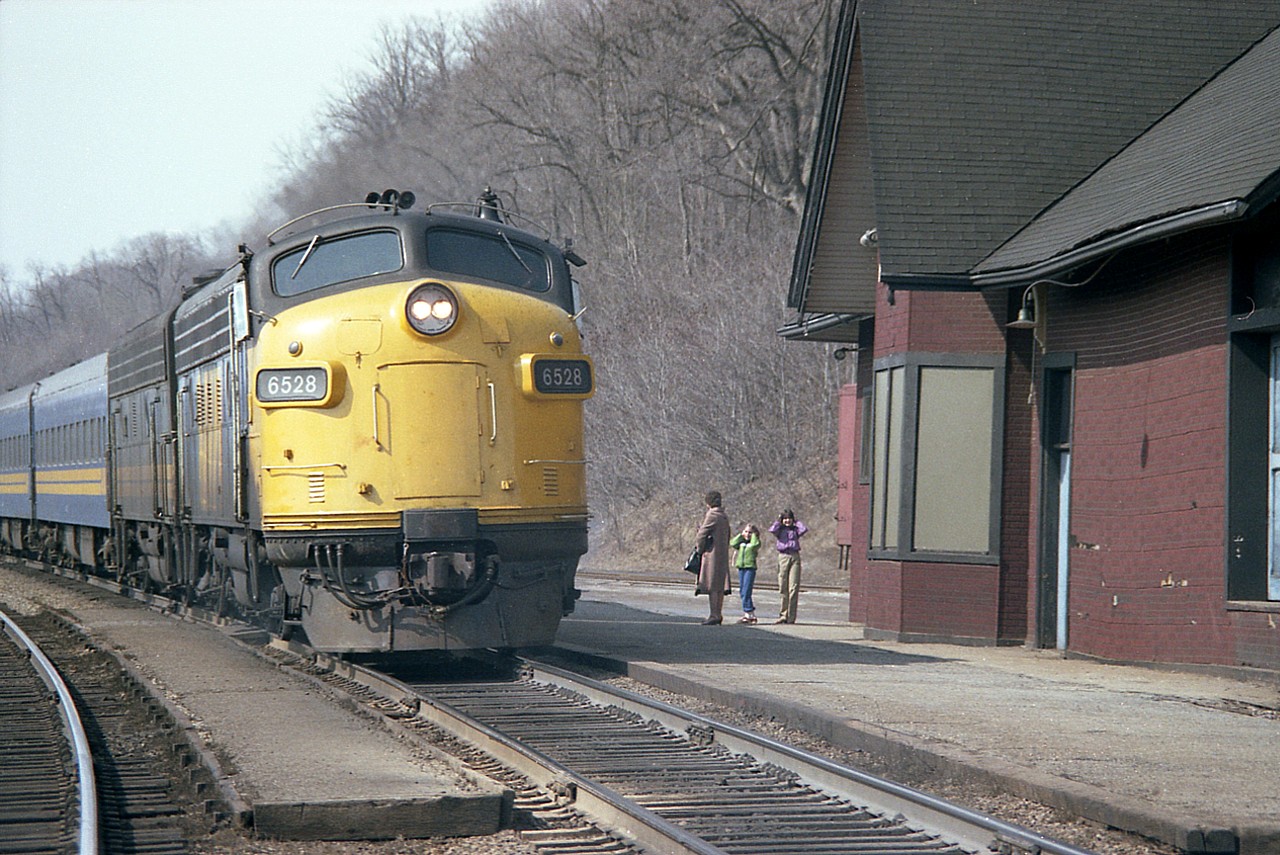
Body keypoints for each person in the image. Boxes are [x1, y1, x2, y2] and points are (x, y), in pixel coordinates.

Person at [694, 491, 731, 625]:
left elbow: (702, 535)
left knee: (712, 586)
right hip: (722, 553)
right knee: (720, 586)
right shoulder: (724, 516)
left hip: (712, 555)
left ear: (708, 502)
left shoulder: (712, 515)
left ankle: (714, 615)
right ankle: (718, 614)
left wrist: (699, 549)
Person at [768, 509, 807, 624]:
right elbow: (772, 529)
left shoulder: (796, 529)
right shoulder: (780, 530)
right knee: (783, 586)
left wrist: (796, 522)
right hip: (783, 556)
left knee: (793, 588)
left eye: (789, 518)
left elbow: (804, 529)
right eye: (785, 519)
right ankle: (783, 614)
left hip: (794, 556)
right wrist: (779, 520)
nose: (787, 521)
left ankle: (791, 617)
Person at [729, 524, 761, 624]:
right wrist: (740, 535)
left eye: (750, 532)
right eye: (746, 532)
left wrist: (754, 536)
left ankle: (749, 613)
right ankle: (749, 614)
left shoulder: (754, 543)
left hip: (749, 568)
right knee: (742, 591)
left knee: (746, 591)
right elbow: (733, 543)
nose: (747, 534)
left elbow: (756, 544)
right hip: (741, 568)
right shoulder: (742, 543)